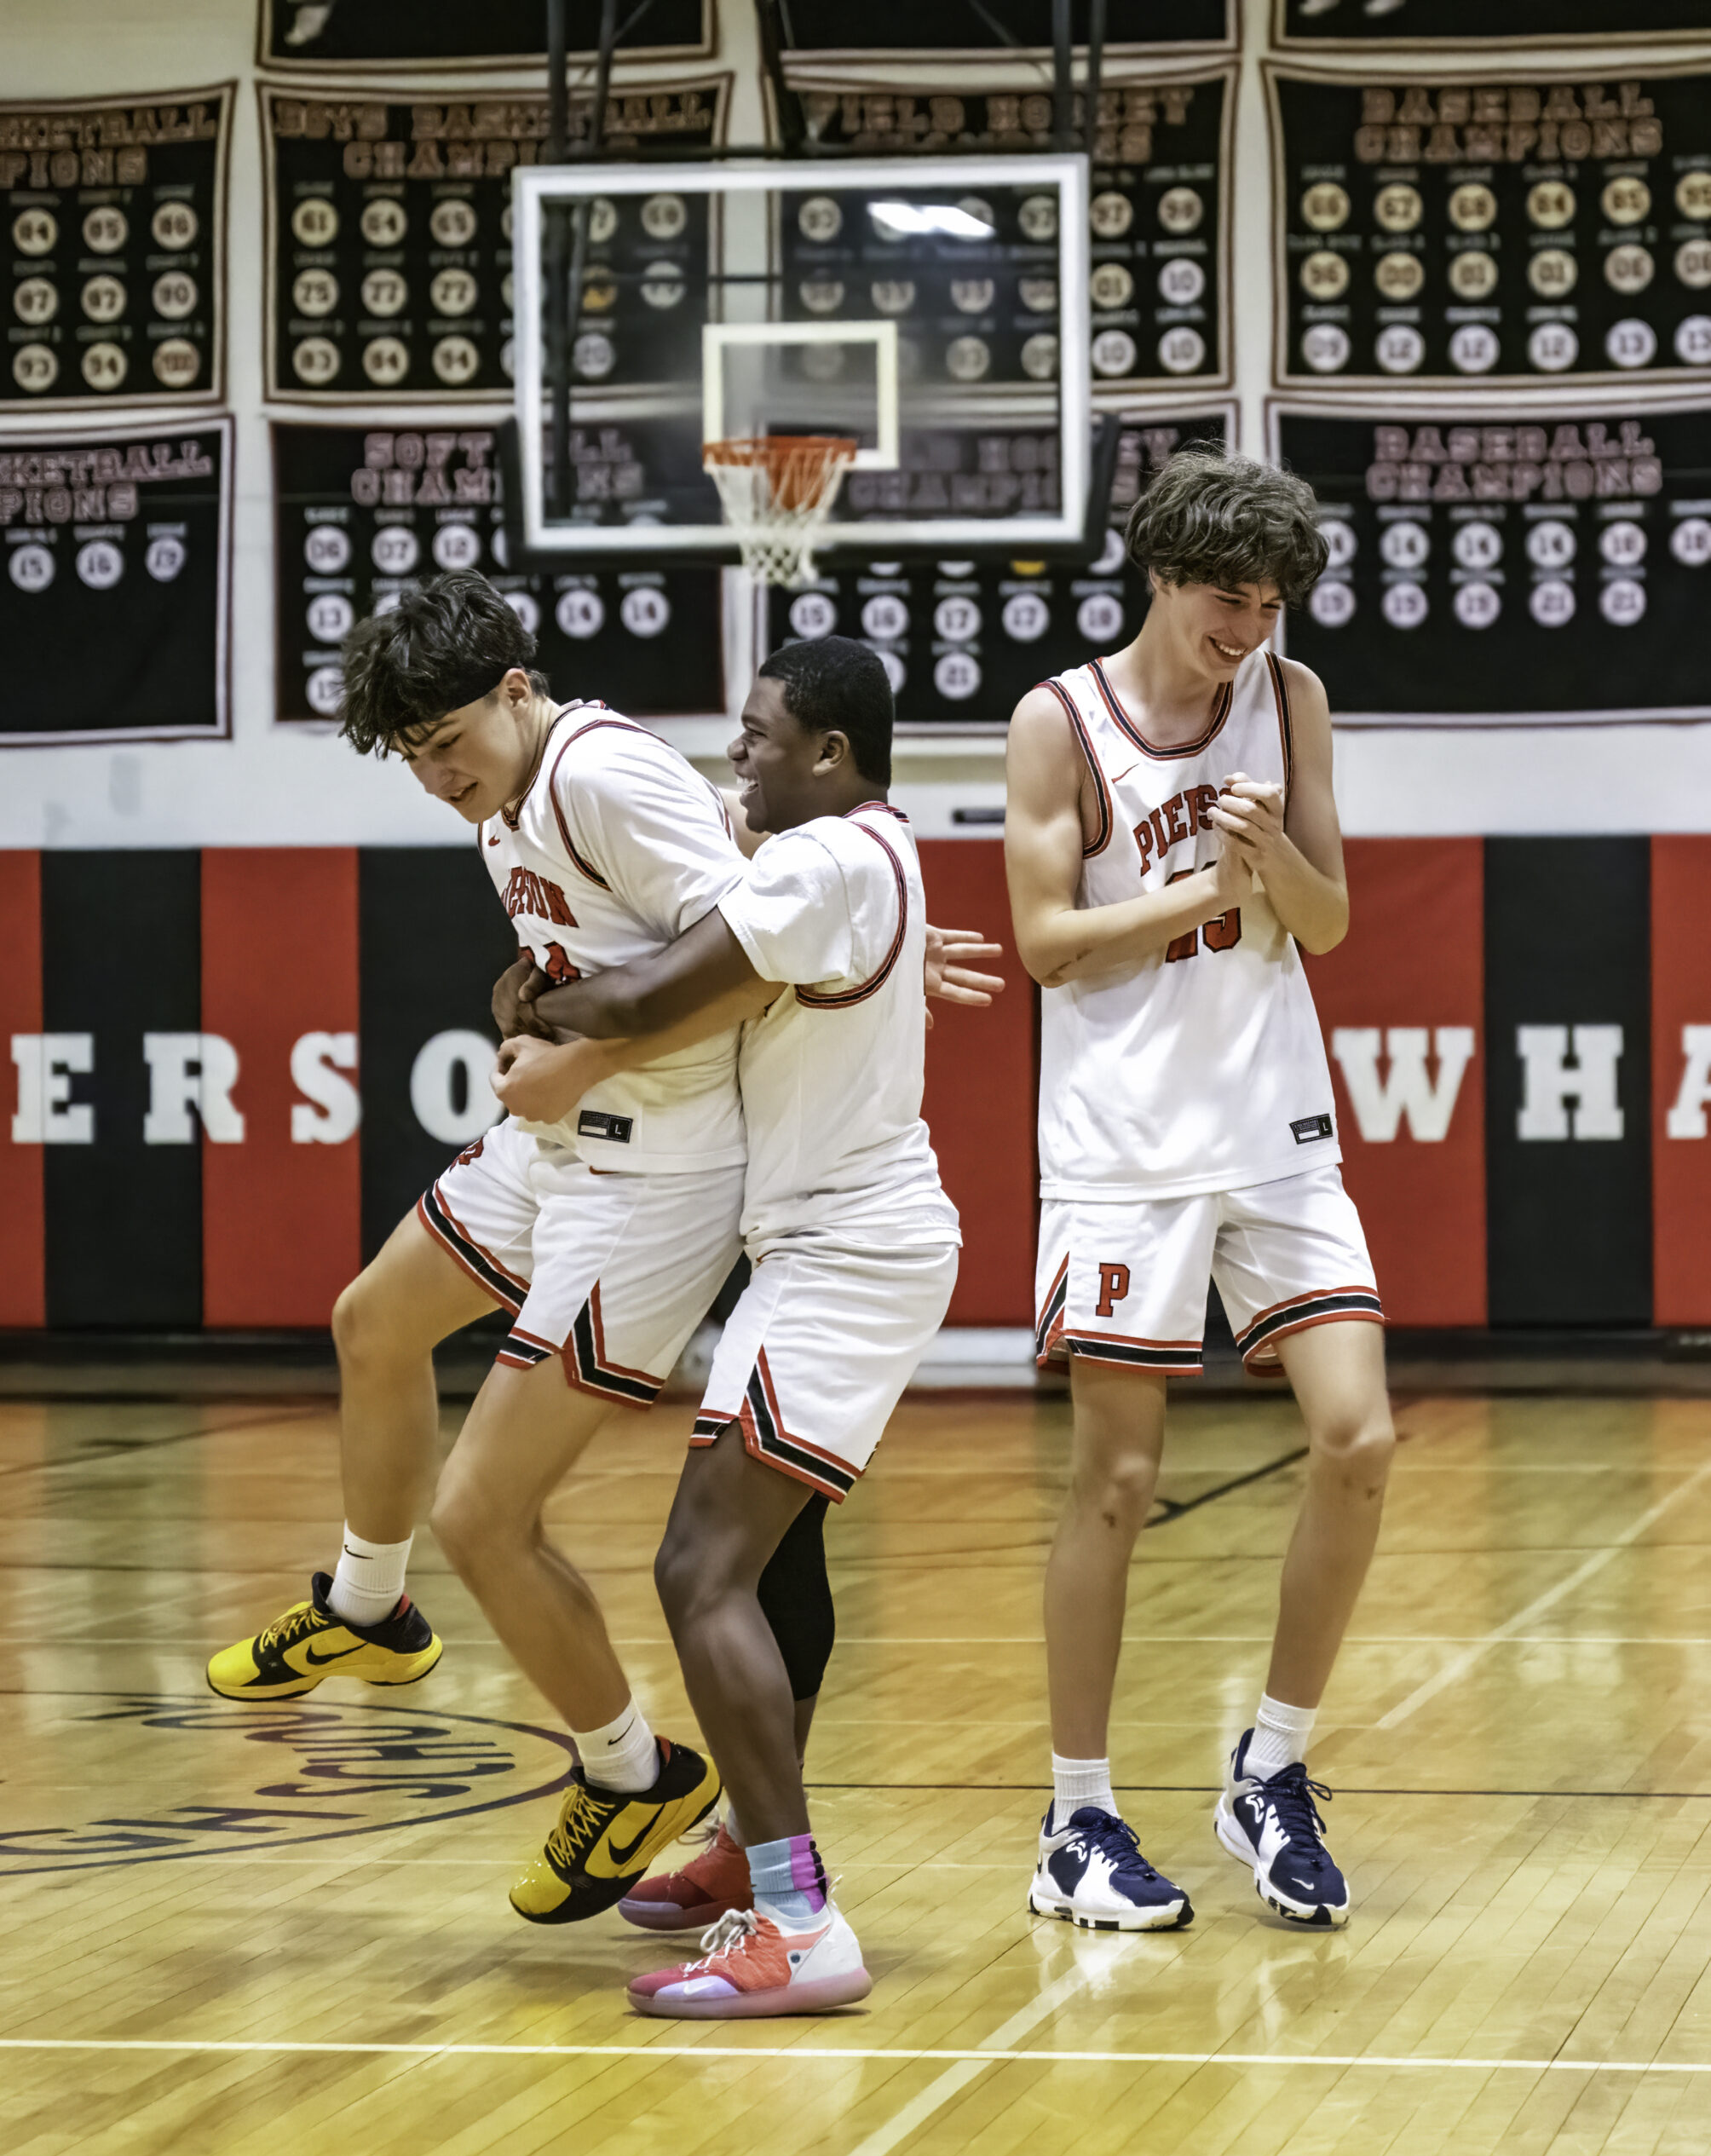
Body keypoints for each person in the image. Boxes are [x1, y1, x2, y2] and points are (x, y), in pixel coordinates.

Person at [207, 572, 758, 1924]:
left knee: (482, 1515)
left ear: (519, 689)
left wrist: (582, 1062)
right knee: (371, 1323)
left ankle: (632, 1774)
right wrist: (534, 1004)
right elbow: (598, 955)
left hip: (658, 1175)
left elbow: (762, 957)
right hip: (571, 1136)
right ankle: (370, 1606)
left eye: (447, 742)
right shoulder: (504, 798)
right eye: (411, 759)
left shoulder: (603, 775)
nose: (434, 775)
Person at [491, 635, 993, 2016]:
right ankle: (741, 1860)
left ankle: (801, 1921)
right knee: (769, 1566)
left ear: (830, 753)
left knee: (696, 1566)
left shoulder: (827, 863)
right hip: (822, 1247)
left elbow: (655, 993)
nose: (737, 756)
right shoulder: (852, 851)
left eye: (761, 737)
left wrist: (546, 1000)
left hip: (850, 1251)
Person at [1004, 447, 1396, 1933]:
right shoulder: (1059, 723)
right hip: (1121, 1148)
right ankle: (1078, 1815)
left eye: (1273, 601)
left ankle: (1271, 1768)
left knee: (1359, 1439)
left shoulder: (1290, 702)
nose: (1251, 626)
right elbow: (1046, 941)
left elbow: (1335, 920)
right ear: (1163, 574)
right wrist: (1201, 890)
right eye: (1230, 599)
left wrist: (1276, 862)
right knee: (1115, 1479)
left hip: (1274, 1126)